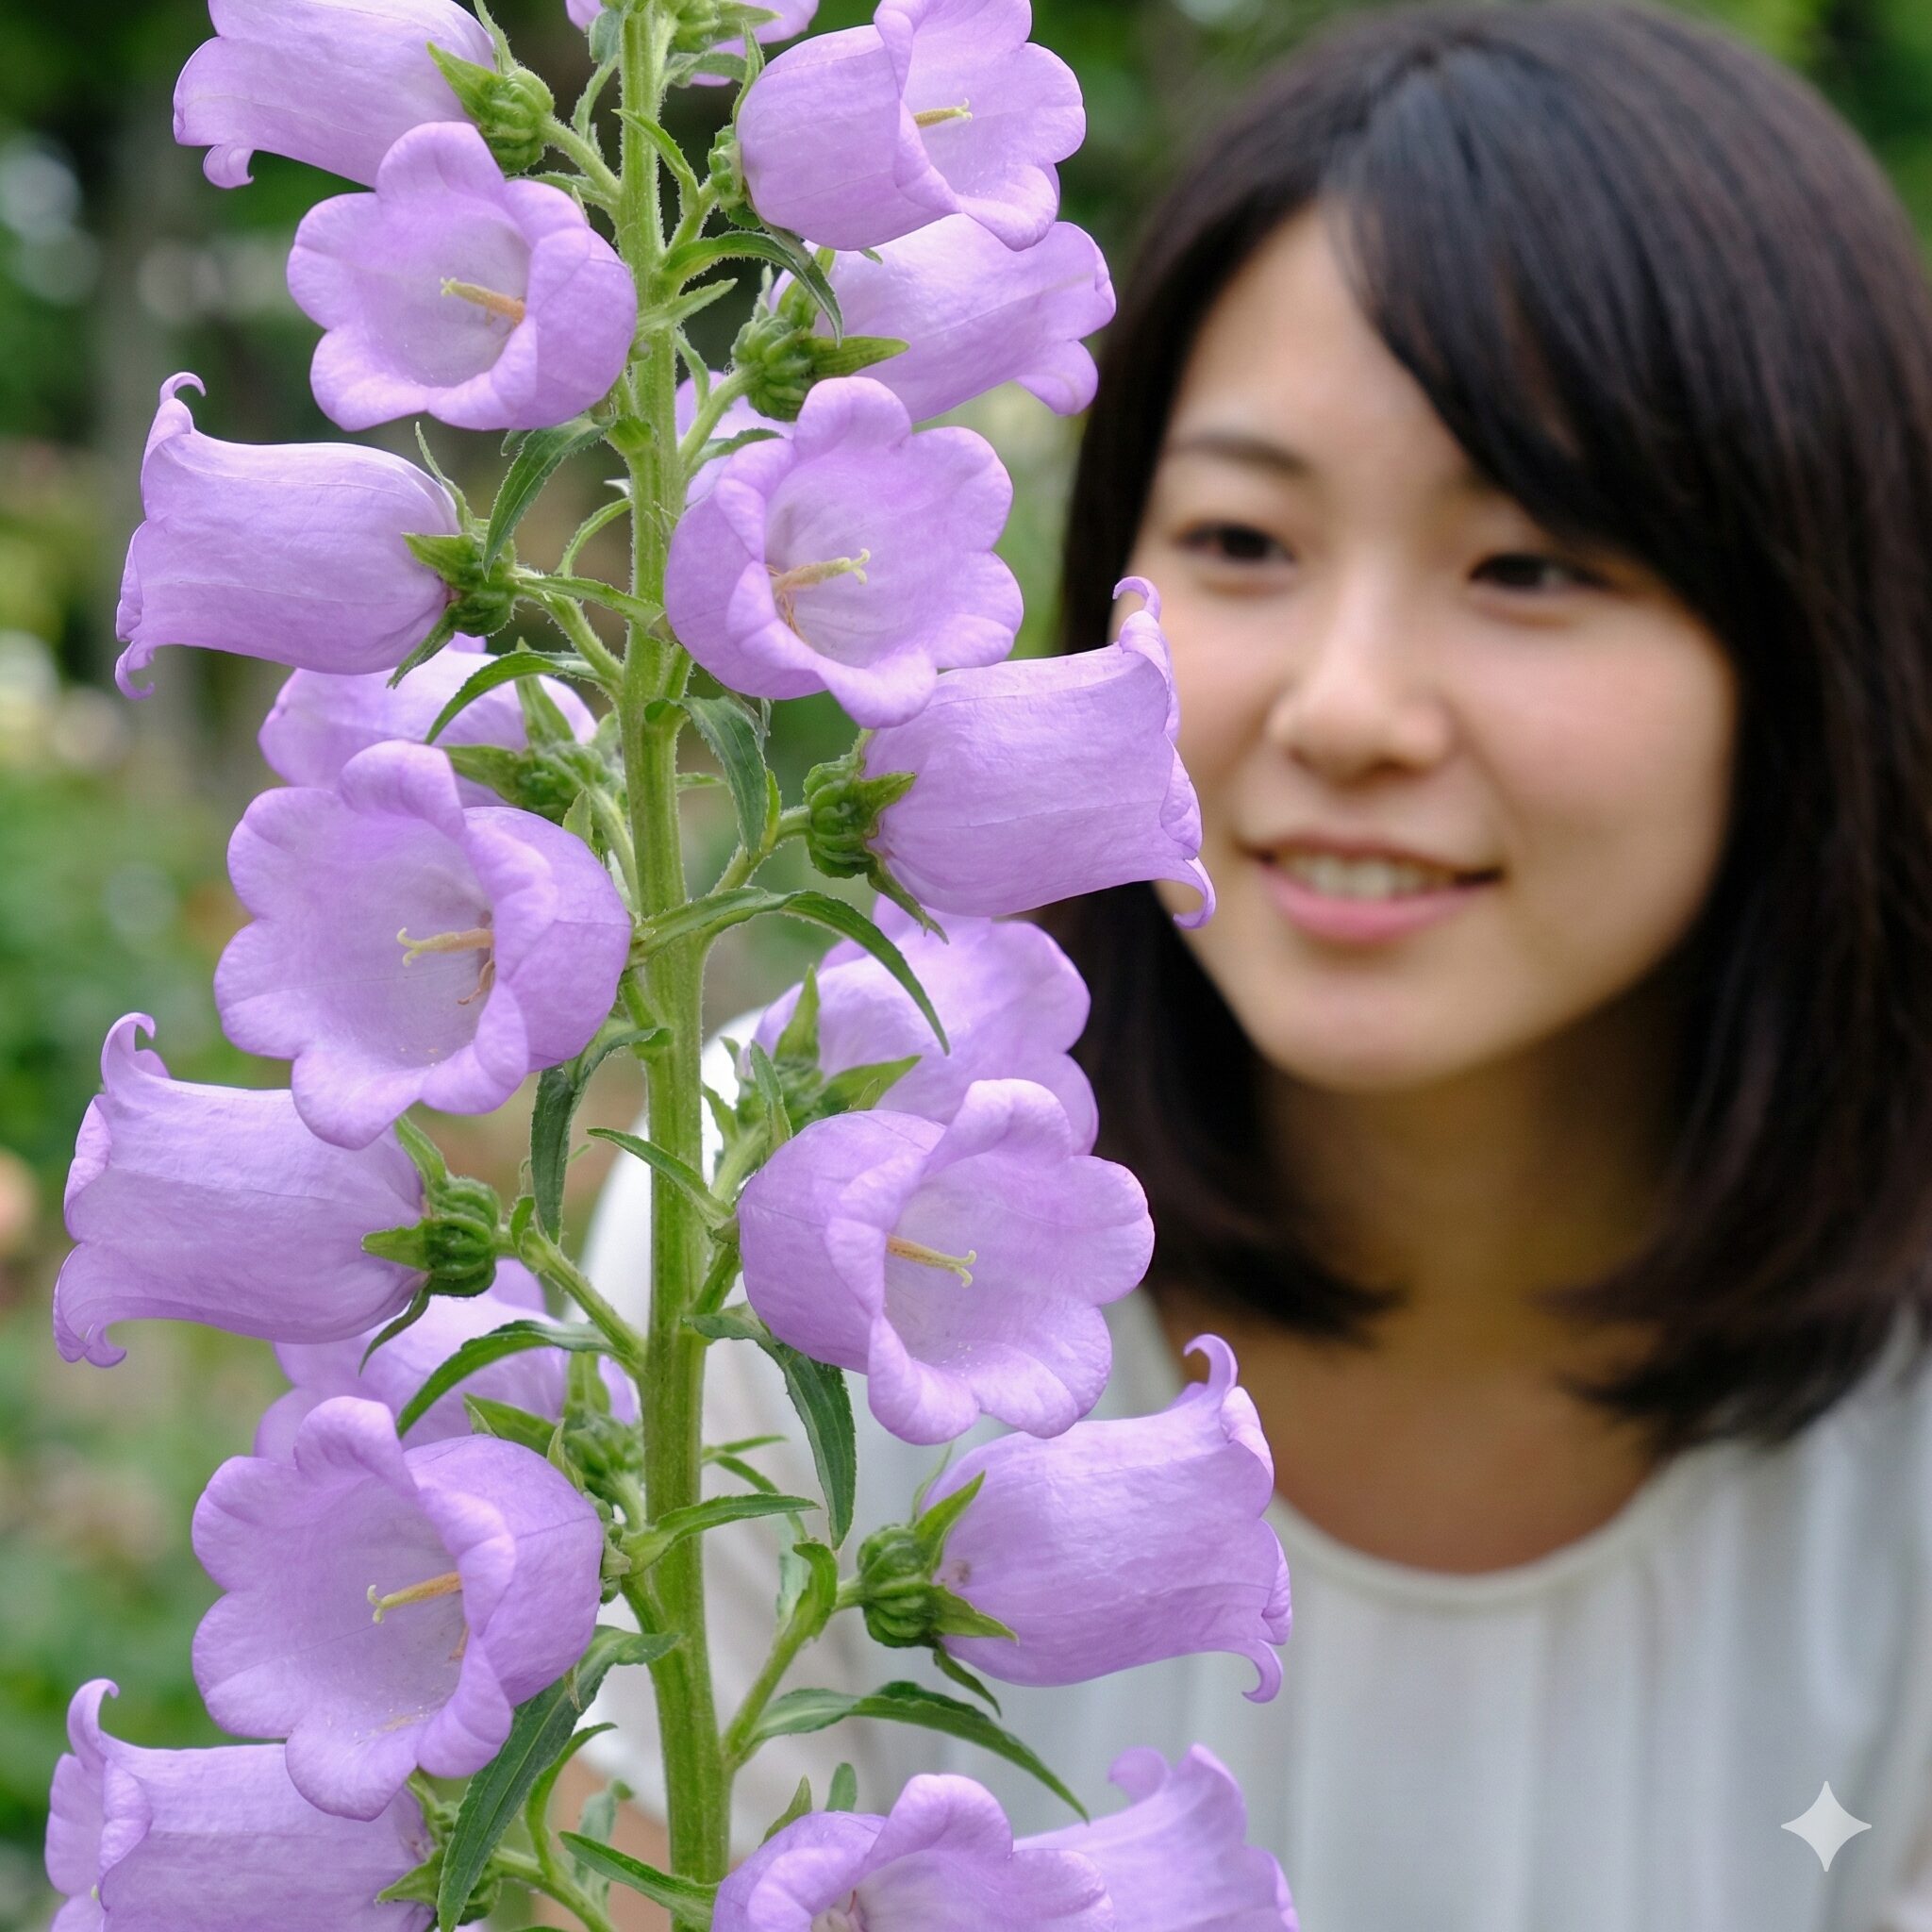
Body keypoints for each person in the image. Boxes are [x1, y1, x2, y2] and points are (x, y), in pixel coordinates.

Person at [565, 6, 1932, 1926]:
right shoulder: (780, 1216)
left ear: (1818, 642)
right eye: (1239, 536)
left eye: (1527, 563)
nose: (1346, 705)